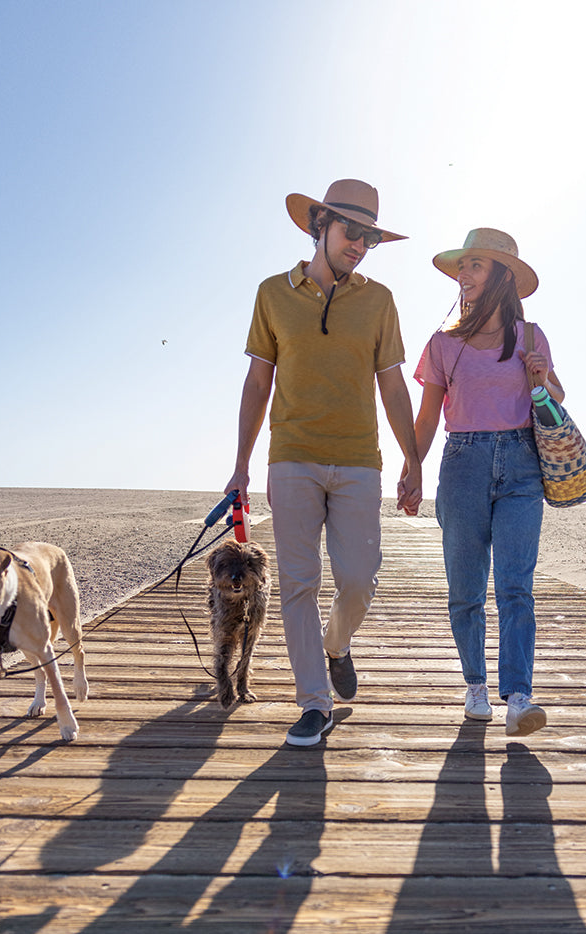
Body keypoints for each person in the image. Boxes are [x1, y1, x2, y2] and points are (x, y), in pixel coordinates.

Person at [225, 179, 423, 747]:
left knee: (359, 580)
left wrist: (412, 458)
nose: (359, 244)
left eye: (369, 238)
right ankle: (314, 702)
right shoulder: (272, 294)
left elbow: (392, 386)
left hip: (360, 460)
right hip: (292, 459)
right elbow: (258, 381)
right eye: (350, 232)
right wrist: (241, 463)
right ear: (320, 226)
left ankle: (338, 644)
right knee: (297, 583)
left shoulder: (379, 301)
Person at [407, 228, 563, 735]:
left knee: (516, 586)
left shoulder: (532, 336)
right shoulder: (442, 344)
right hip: (462, 463)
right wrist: (412, 467)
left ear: (501, 276)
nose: (463, 274)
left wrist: (542, 376)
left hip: (523, 465)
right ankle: (475, 685)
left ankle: (519, 696)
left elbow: (558, 399)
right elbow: (428, 416)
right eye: (462, 266)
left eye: (474, 265)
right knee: (466, 588)